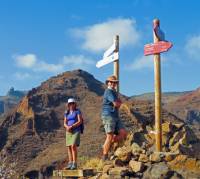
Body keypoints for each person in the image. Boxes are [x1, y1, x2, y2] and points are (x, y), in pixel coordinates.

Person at [101, 75, 127, 161]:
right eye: (111, 82)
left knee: (123, 133)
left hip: (115, 115)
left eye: (114, 82)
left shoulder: (114, 92)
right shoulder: (108, 92)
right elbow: (117, 104)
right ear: (108, 83)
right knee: (109, 136)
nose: (113, 83)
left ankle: (107, 145)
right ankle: (105, 156)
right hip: (109, 115)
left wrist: (118, 103)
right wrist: (118, 103)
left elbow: (118, 103)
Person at [64, 98, 83, 170]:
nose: (71, 105)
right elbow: (64, 122)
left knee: (73, 146)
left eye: (72, 103)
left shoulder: (77, 111)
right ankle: (70, 163)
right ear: (68, 105)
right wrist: (67, 127)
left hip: (76, 130)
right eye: (70, 104)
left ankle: (74, 163)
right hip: (68, 131)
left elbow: (80, 121)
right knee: (69, 146)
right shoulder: (67, 113)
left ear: (75, 104)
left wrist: (72, 126)